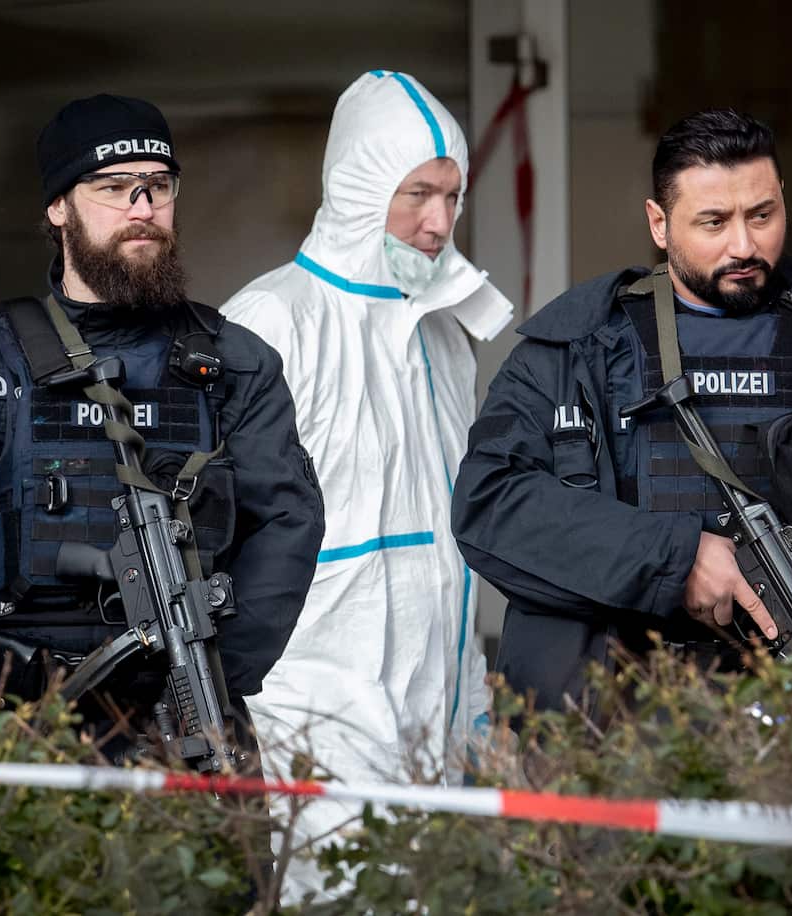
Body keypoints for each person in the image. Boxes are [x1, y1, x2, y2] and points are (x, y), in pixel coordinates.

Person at [452, 109, 792, 712]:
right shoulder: (576, 351)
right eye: (713, 222)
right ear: (659, 223)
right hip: (612, 725)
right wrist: (678, 559)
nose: (744, 244)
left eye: (762, 215)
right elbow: (489, 503)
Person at [0, 94, 325, 757]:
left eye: (158, 187)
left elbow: (289, 523)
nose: (143, 207)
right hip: (16, 725)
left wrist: (213, 682)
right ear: (58, 207)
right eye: (114, 188)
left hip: (185, 721)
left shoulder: (234, 362)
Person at [220, 70, 513, 902]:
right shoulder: (272, 322)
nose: (439, 222)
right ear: (357, 184)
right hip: (313, 710)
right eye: (417, 192)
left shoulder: (445, 333)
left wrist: (474, 711)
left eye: (453, 196)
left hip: (440, 708)